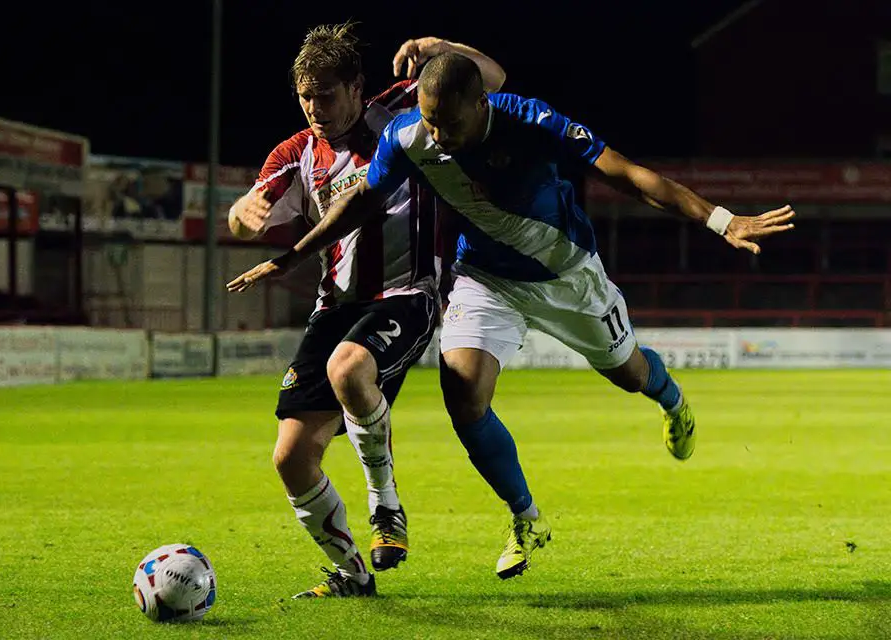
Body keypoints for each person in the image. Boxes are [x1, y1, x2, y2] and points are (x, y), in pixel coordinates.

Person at [229, 52, 795, 581]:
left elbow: (626, 174)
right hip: (484, 276)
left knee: (628, 374)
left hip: (567, 275)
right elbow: (360, 200)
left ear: (481, 107)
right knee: (464, 391)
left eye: (449, 124)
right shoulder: (410, 135)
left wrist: (720, 220)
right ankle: (526, 516)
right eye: (429, 123)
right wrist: (291, 257)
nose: (439, 139)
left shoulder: (531, 121)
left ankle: (670, 398)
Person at [226, 27, 506, 598]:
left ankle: (386, 506)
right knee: (291, 457)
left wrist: (445, 50)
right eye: (305, 96)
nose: (314, 109)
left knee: (348, 368)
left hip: (408, 293)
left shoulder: (405, 108)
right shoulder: (295, 153)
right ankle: (352, 574)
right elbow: (243, 215)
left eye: (326, 95)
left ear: (357, 87)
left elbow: (494, 80)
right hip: (336, 304)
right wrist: (240, 214)